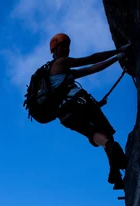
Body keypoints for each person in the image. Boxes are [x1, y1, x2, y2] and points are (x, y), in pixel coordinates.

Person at [49, 33, 131, 190]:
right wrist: (119, 51)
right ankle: (114, 163)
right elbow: (91, 60)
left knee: (93, 133)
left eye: (68, 46)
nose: (67, 49)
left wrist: (116, 58)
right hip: (79, 101)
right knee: (107, 134)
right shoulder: (61, 62)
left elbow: (91, 69)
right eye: (63, 46)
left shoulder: (55, 74)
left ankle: (117, 176)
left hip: (65, 115)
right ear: (56, 49)